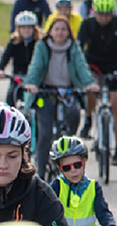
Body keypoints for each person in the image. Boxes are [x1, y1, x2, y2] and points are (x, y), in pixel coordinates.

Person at [22, 17, 98, 177]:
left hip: (68, 93)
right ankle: (41, 176)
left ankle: (68, 168)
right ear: (50, 31)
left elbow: (81, 67)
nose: (60, 32)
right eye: (56, 29)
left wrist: (89, 83)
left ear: (69, 32)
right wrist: (31, 84)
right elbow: (35, 67)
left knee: (73, 121)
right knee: (45, 134)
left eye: (63, 29)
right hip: (46, 93)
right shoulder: (42, 46)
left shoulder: (73, 47)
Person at [76, 0, 117, 139]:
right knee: (91, 90)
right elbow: (78, 50)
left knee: (116, 105)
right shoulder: (87, 24)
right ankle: (88, 118)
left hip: (113, 65)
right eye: (100, 15)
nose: (104, 18)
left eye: (107, 15)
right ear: (94, 12)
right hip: (93, 65)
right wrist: (80, 71)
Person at [0, 11, 40, 103]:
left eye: (29, 28)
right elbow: (6, 56)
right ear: (18, 29)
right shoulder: (14, 42)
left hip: (35, 79)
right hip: (18, 78)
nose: (26, 30)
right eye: (23, 28)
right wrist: (1, 69)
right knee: (10, 99)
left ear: (34, 29)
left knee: (41, 103)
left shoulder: (38, 44)